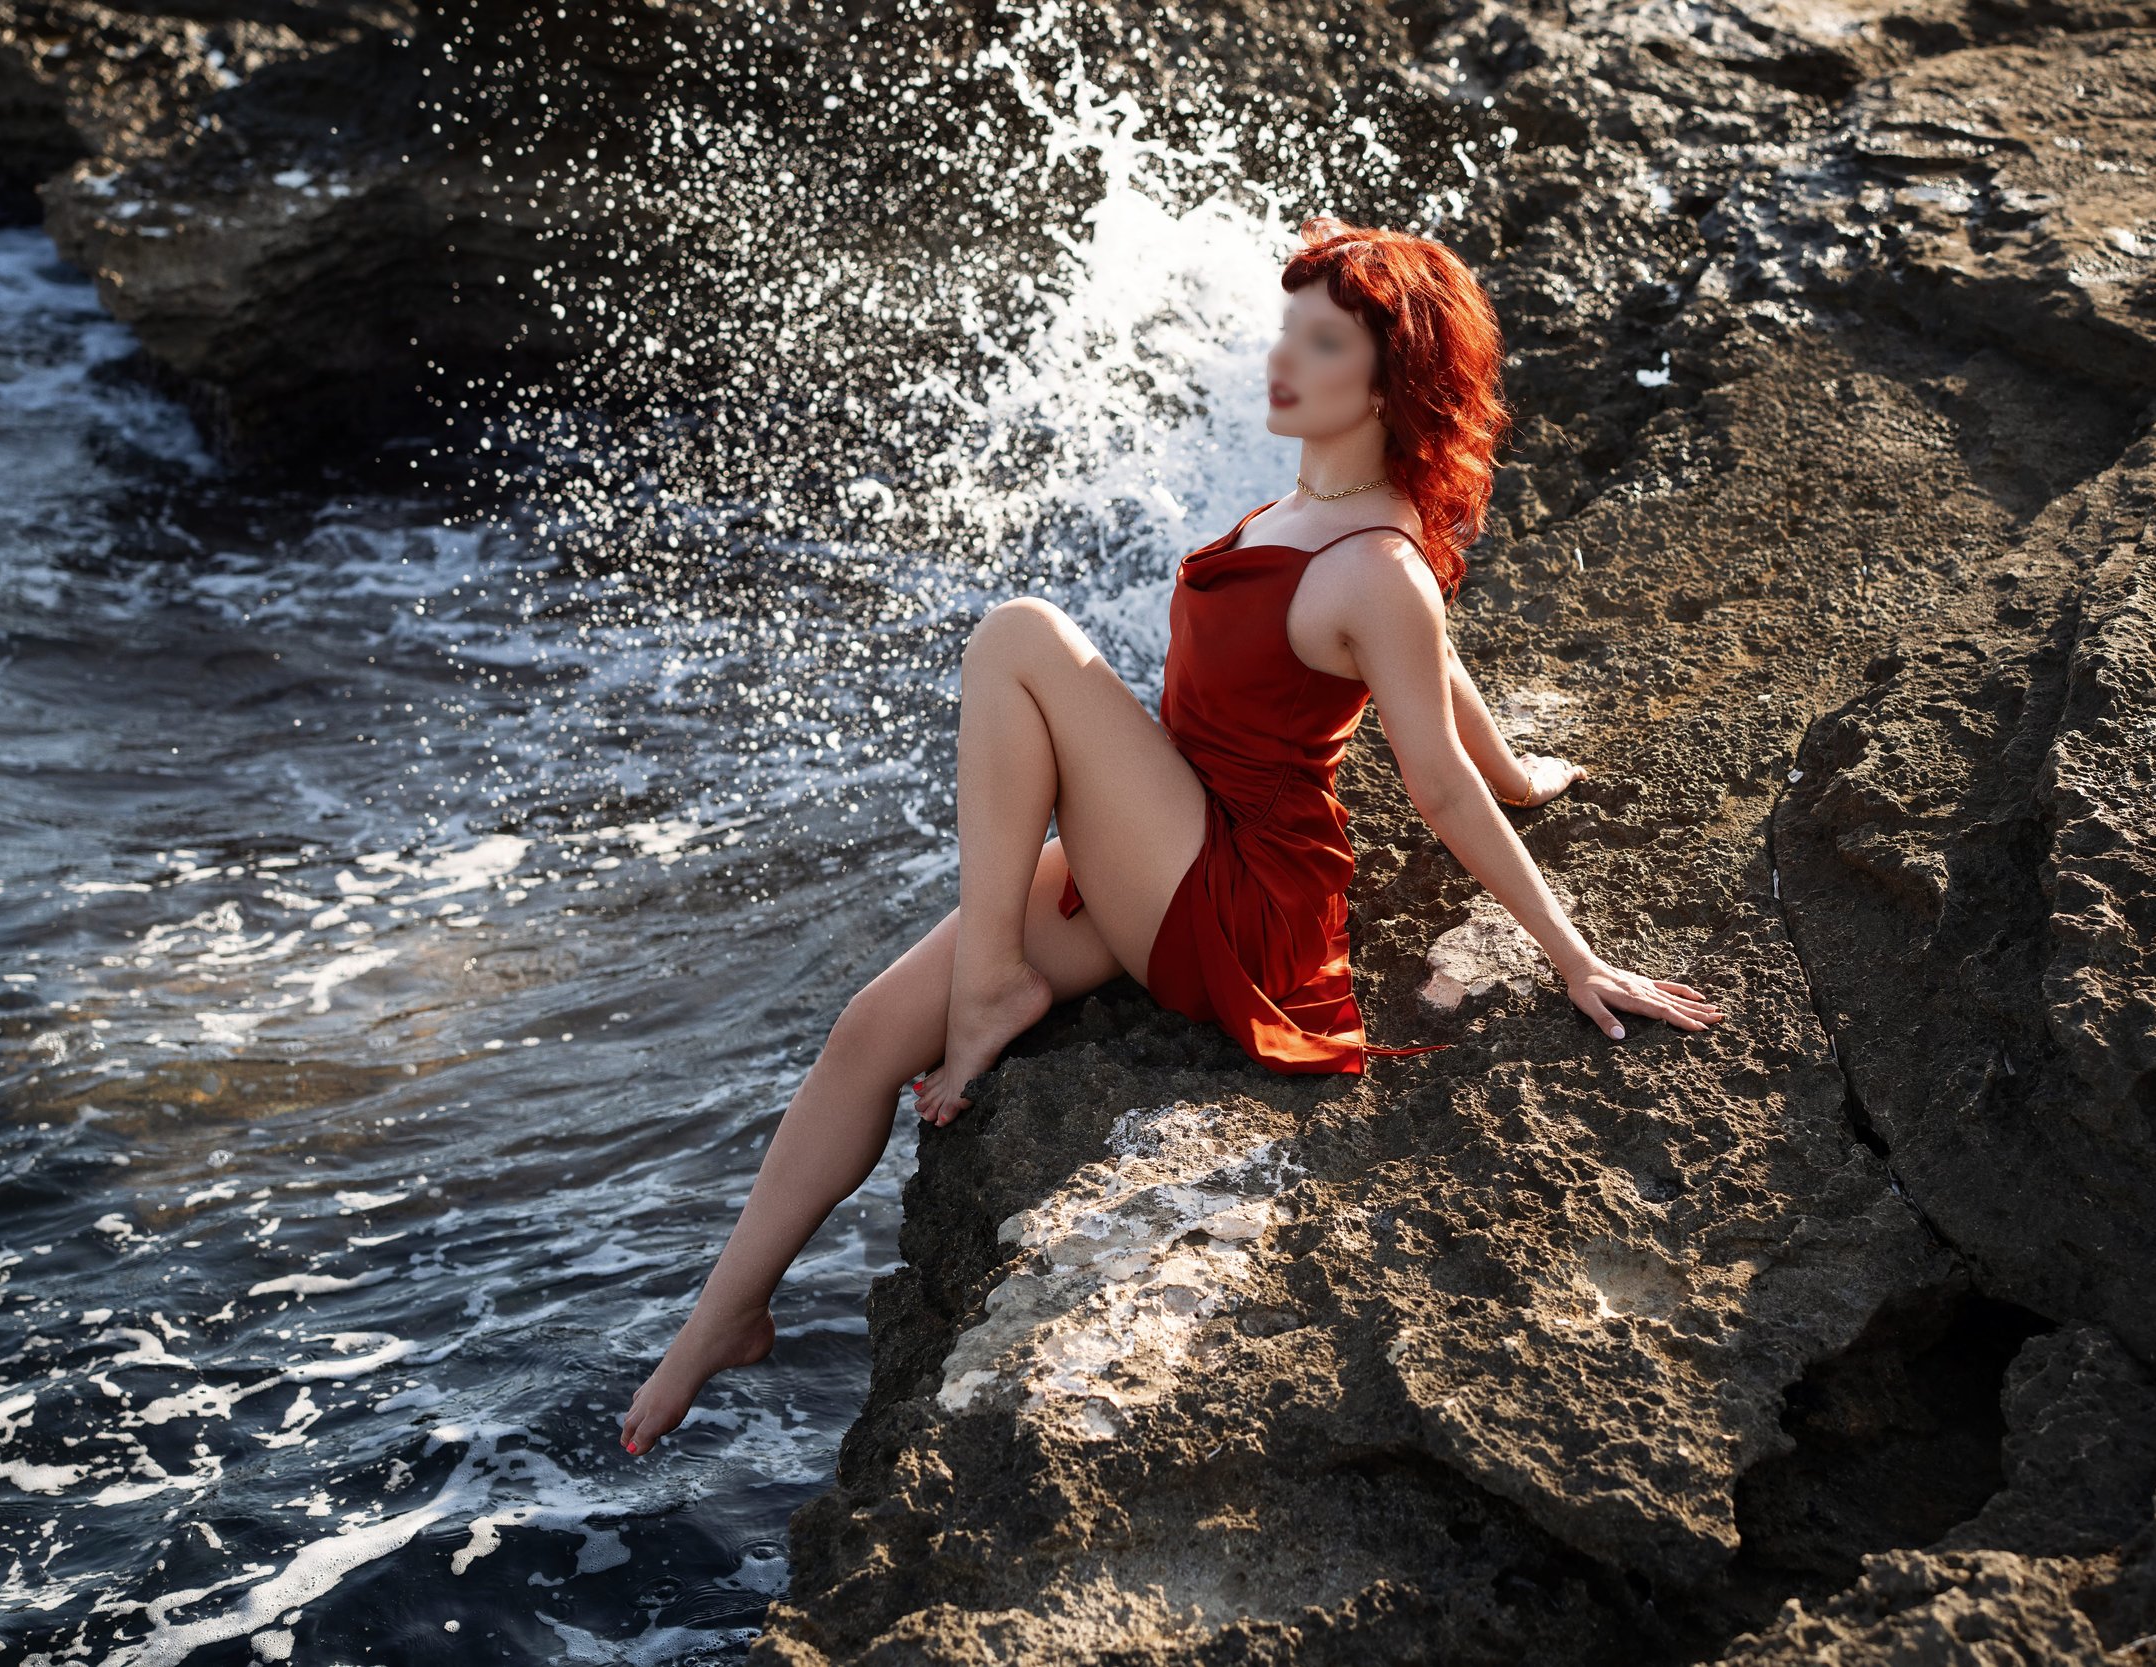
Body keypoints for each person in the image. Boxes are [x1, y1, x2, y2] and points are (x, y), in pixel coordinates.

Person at [619, 215, 1725, 1457]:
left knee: (1020, 636)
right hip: (1168, 840)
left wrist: (1571, 955)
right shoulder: (1327, 503)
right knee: (869, 1031)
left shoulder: (1376, 563)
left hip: (1237, 902)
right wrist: (1518, 763)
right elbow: (1440, 675)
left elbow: (1435, 779)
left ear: (1391, 381)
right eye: (1288, 329)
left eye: (1321, 342)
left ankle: (994, 983)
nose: (1282, 361)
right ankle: (726, 1315)